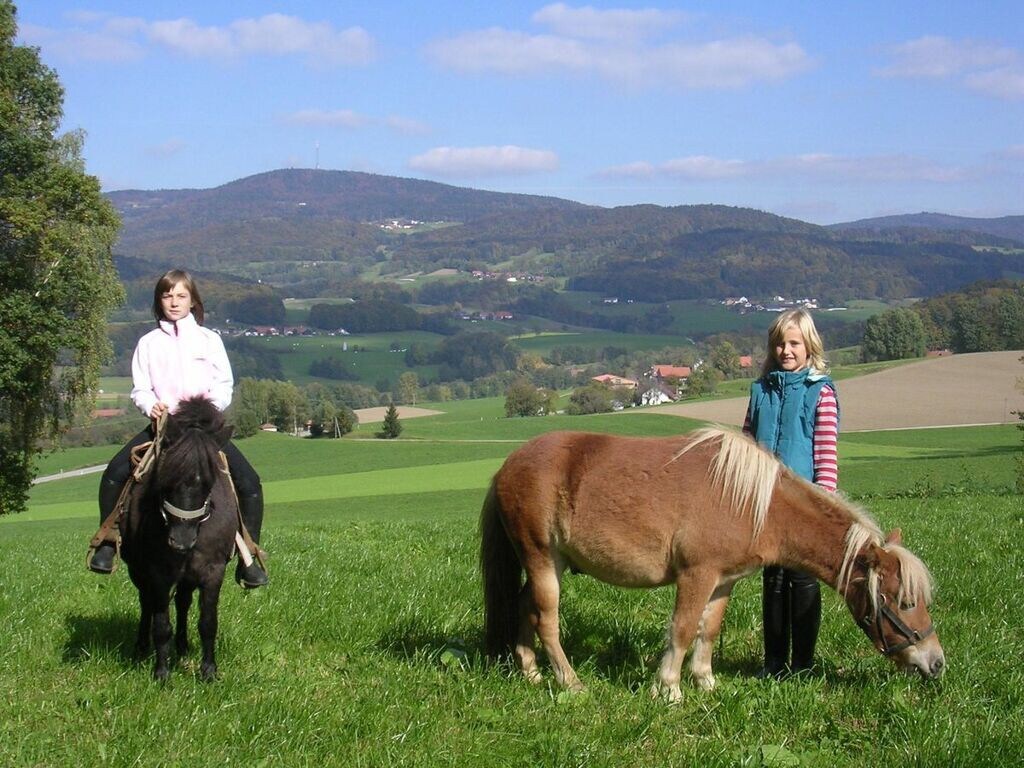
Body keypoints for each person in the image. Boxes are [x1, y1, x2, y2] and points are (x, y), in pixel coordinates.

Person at [89, 269, 269, 588]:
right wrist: (151, 406)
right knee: (114, 474)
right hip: (165, 428)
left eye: (181, 295)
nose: (174, 302)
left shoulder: (209, 339)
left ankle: (248, 555)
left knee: (249, 482)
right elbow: (140, 388)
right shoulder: (148, 343)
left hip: (203, 429)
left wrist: (209, 412)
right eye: (167, 295)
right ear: (159, 300)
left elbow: (223, 384)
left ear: (193, 301)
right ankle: (108, 540)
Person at [743, 308, 838, 677]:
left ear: (809, 345)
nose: (787, 350)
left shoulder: (821, 392)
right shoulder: (760, 390)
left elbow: (826, 453)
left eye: (794, 343)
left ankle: (802, 664)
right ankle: (773, 662)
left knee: (802, 580)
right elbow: (747, 444)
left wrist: (824, 503)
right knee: (773, 581)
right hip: (766, 504)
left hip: (805, 505)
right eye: (780, 344)